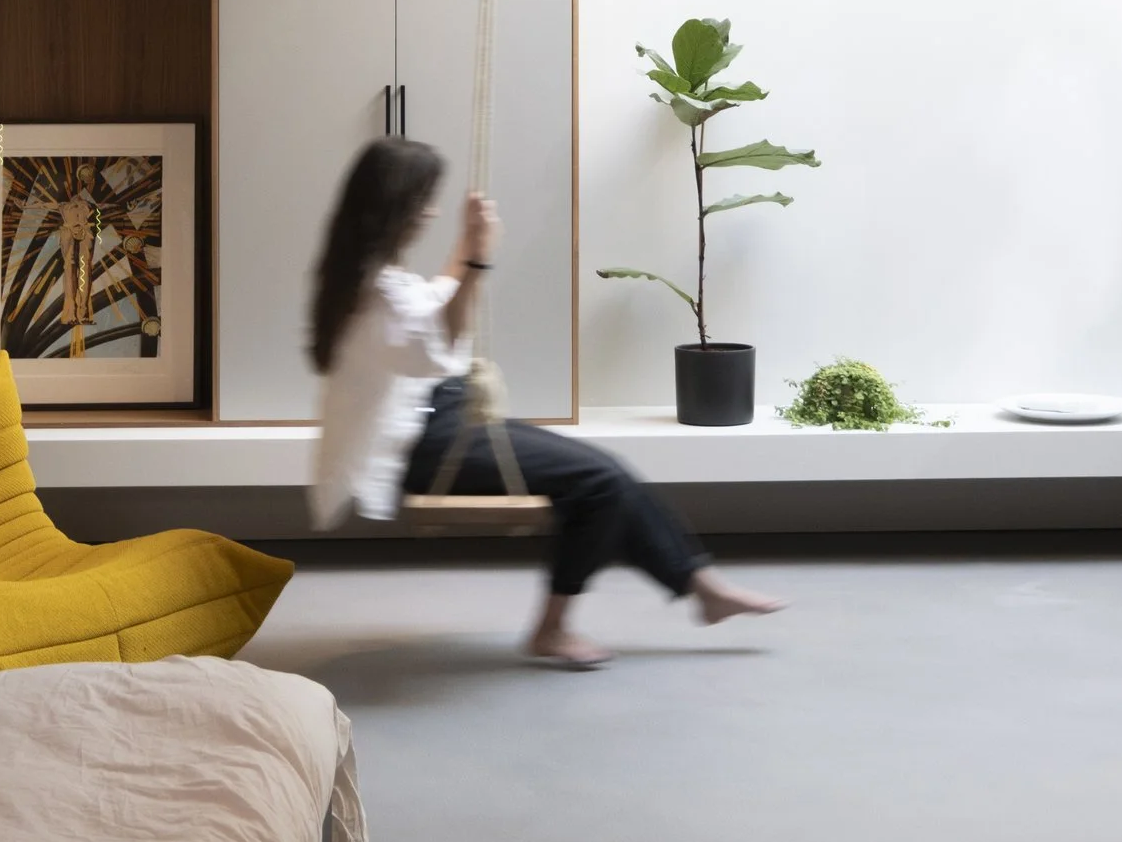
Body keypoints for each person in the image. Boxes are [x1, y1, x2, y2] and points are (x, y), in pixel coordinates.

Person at [307, 136, 785, 668]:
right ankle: (555, 629)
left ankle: (702, 587)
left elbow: (432, 302)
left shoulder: (367, 275)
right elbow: (434, 346)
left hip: (438, 415)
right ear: (395, 206)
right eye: (424, 199)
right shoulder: (376, 291)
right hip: (420, 442)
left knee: (608, 475)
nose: (431, 210)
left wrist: (467, 247)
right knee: (598, 482)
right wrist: (479, 261)